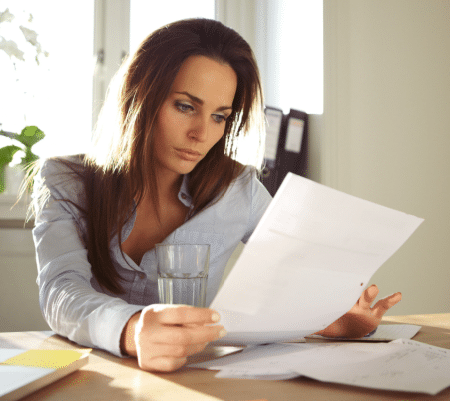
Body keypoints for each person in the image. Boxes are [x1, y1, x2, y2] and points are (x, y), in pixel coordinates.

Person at [27, 18, 402, 372]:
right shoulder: (65, 180)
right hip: (90, 376)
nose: (202, 134)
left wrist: (330, 319)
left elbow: (294, 285)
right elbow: (61, 290)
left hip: (195, 380)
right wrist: (131, 329)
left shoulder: (239, 190)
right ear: (139, 97)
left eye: (220, 117)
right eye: (186, 106)